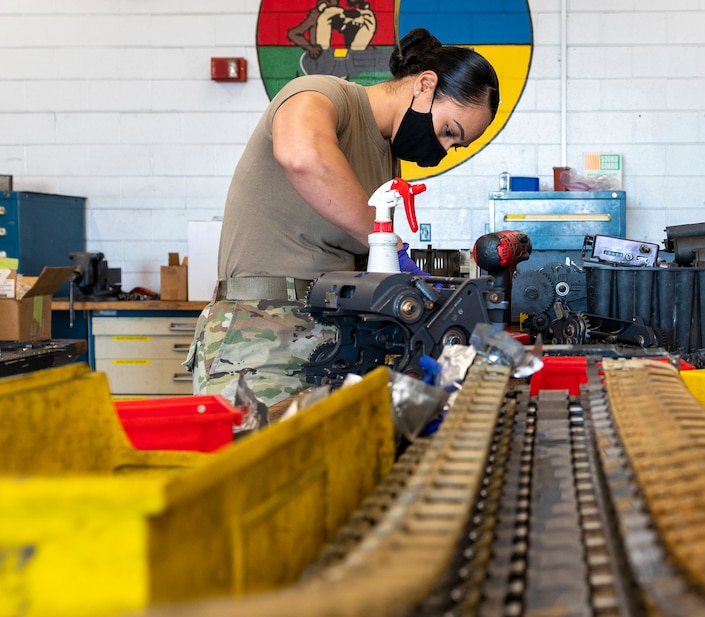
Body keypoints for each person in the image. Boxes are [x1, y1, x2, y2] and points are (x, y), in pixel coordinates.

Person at [186, 27, 500, 406]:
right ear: (425, 85)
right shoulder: (324, 94)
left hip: (328, 342)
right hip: (261, 340)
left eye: (455, 145)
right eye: (449, 131)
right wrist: (384, 238)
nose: (444, 148)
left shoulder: (387, 157)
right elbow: (302, 155)